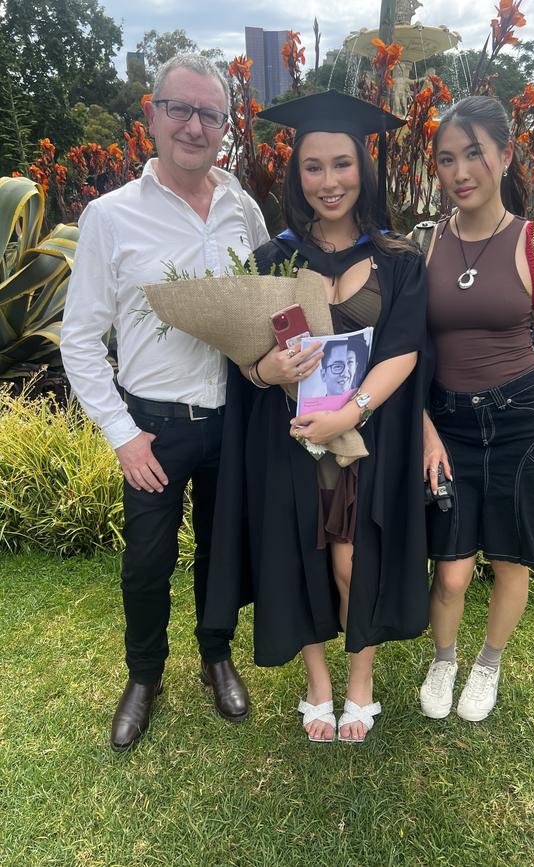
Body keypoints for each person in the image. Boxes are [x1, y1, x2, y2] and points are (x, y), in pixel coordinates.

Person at [204, 90, 430, 743]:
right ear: (296, 175)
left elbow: (405, 351)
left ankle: (360, 681)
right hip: (292, 441)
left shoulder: (397, 260)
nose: (329, 181)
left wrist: (350, 413)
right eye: (313, 166)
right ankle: (319, 684)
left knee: (354, 563)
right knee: (297, 555)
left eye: (341, 163)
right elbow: (249, 358)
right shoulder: (271, 260)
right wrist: (264, 370)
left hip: (365, 439)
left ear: (363, 166)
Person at [61, 54, 269, 752]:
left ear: (224, 128)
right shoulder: (109, 216)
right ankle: (144, 674)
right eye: (180, 108)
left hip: (231, 417)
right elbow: (81, 339)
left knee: (220, 550)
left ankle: (215, 656)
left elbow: (272, 303)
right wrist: (122, 434)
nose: (194, 125)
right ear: (152, 114)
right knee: (146, 562)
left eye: (210, 114)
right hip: (152, 424)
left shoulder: (244, 207)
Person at [419, 95, 534, 723]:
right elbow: (413, 348)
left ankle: (487, 664)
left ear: (505, 155)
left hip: (525, 418)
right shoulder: (427, 246)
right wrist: (425, 426)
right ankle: (444, 658)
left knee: (512, 558)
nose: (460, 172)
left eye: (474, 155)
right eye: (446, 159)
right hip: (451, 425)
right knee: (452, 570)